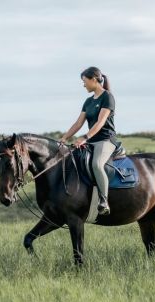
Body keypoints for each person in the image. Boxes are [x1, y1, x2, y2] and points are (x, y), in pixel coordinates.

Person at [60, 66, 117, 215]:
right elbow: (78, 123)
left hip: (106, 141)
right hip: (91, 142)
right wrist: (64, 138)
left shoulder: (107, 97)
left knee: (97, 164)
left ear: (94, 79)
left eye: (84, 81)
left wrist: (84, 138)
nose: (83, 84)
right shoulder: (88, 101)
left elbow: (100, 122)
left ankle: (104, 201)